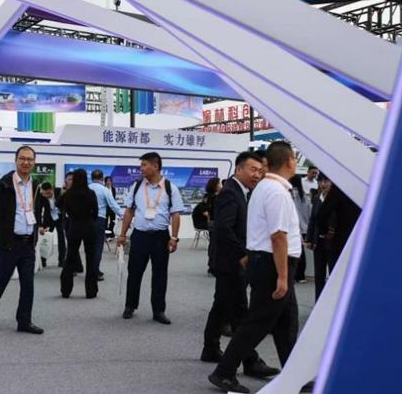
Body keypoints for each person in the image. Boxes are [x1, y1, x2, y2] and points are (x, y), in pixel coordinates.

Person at [209, 141, 302, 394]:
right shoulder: (276, 192)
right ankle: (224, 372)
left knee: (286, 323)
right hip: (273, 264)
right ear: (289, 161)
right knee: (258, 322)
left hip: (270, 262)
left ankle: (294, 375)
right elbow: (278, 236)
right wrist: (283, 276)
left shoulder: (266, 188)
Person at [201, 152, 278, 378]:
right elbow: (223, 228)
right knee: (240, 312)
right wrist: (242, 254)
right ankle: (250, 360)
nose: (257, 175)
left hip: (231, 261)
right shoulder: (230, 193)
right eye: (253, 169)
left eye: (260, 171)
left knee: (222, 305)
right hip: (231, 262)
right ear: (238, 169)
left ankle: (210, 347)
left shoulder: (242, 192)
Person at [0, 145, 43, 334]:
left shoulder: (36, 185)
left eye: (30, 159)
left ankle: (24, 321)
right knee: (0, 281)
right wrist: (4, 231)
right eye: (22, 158)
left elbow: (37, 210)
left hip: (28, 243)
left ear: (34, 162)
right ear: (16, 160)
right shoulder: (4, 184)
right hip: (9, 242)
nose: (26, 162)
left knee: (28, 285)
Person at [117, 152, 185, 325]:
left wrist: (174, 237)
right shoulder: (137, 186)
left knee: (160, 274)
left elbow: (175, 214)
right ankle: (130, 306)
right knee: (134, 272)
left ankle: (158, 310)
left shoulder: (170, 188)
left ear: (155, 166)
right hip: (139, 235)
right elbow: (129, 211)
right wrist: (123, 234)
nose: (141, 168)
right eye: (141, 165)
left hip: (160, 237)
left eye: (144, 165)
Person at [58, 169, 99, 298]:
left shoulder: (68, 194)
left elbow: (58, 204)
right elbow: (96, 212)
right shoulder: (91, 193)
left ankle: (66, 290)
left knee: (70, 257)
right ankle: (91, 291)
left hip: (74, 227)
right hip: (89, 227)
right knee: (91, 259)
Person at [89, 169, 124, 281]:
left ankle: (91, 269)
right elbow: (113, 205)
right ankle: (95, 271)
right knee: (98, 246)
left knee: (89, 247)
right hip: (99, 220)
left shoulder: (87, 188)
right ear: (102, 178)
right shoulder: (104, 190)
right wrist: (125, 217)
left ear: (92, 177)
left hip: (86, 221)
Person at [316, 182, 361, 269]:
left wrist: (325, 231)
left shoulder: (340, 187)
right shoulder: (371, 186)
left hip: (341, 238)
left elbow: (322, 214)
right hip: (363, 238)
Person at [305, 173, 332, 300]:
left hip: (333, 243)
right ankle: (318, 302)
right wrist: (309, 239)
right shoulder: (317, 198)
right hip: (318, 242)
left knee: (333, 273)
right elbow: (312, 220)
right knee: (319, 275)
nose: (323, 184)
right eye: (321, 181)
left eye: (326, 181)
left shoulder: (338, 200)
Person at [35, 182, 63, 269]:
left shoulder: (59, 192)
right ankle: (43, 260)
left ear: (52, 189)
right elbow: (38, 210)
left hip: (60, 218)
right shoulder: (41, 195)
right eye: (44, 194)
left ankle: (62, 261)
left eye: (48, 193)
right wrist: (40, 225)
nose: (46, 195)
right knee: (44, 239)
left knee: (61, 239)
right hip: (49, 219)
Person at [289, 175, 310, 283]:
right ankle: (301, 275)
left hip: (294, 227)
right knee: (301, 252)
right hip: (304, 227)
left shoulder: (290, 194)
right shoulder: (304, 195)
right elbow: (308, 211)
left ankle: (293, 275)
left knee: (292, 252)